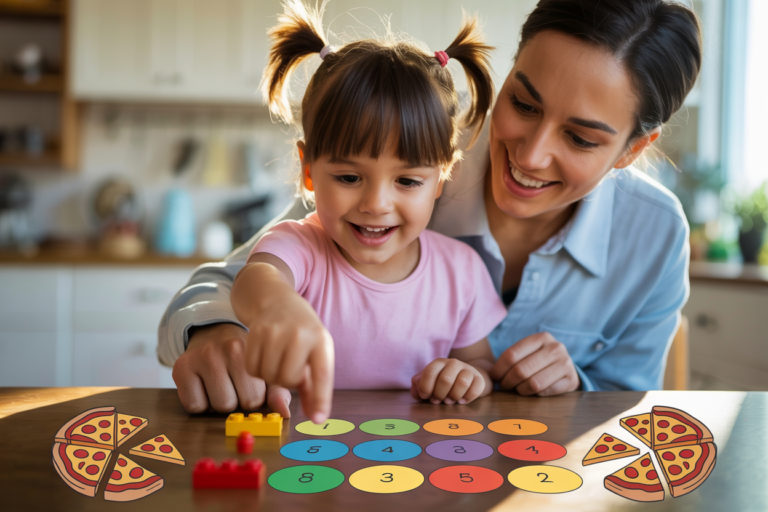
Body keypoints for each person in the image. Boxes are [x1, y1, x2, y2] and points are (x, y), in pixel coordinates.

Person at [160, 0, 702, 417]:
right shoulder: (411, 153)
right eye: (523, 103)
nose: (529, 154)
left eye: (581, 139)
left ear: (633, 148)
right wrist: (216, 333)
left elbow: (628, 406)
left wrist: (577, 385)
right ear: (510, 71)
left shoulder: (654, 235)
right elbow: (228, 282)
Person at [228, 0, 507, 423]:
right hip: (305, 462)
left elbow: (482, 367)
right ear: (308, 169)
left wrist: (468, 377)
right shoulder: (298, 245)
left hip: (414, 467)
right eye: (348, 177)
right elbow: (258, 280)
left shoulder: (462, 272)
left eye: (408, 181)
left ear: (441, 179)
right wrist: (275, 307)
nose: (376, 204)